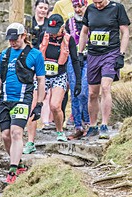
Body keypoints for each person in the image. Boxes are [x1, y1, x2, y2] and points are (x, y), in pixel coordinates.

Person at [0, 23, 46, 183]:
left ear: (23, 36)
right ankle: (19, 163)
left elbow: (41, 80)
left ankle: (13, 170)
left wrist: (39, 104)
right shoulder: (5, 54)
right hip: (5, 99)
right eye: (10, 40)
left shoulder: (35, 54)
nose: (12, 42)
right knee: (5, 135)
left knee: (16, 132)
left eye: (15, 39)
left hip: (23, 100)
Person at [78, 0, 130, 140]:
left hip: (111, 53)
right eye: (95, 2)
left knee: (105, 87)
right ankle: (93, 126)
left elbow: (125, 32)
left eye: (100, 2)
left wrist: (121, 54)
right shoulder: (90, 9)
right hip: (93, 54)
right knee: (92, 93)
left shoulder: (117, 8)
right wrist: (80, 52)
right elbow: (84, 32)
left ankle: (105, 125)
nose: (98, 5)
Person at [38, 14, 82, 142]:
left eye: (55, 31)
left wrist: (78, 81)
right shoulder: (44, 36)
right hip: (43, 75)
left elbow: (75, 61)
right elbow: (35, 55)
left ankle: (59, 131)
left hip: (59, 75)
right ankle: (30, 138)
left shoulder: (69, 40)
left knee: (55, 105)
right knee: (35, 103)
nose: (52, 34)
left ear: (62, 27)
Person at [24, 0, 53, 151]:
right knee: (31, 97)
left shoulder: (50, 24)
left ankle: (46, 121)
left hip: (46, 61)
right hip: (29, 60)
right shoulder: (27, 22)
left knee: (44, 94)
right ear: (36, 8)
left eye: (45, 9)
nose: (42, 10)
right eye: (40, 7)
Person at [67, 0, 91, 139]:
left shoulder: (92, 19)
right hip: (73, 59)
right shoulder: (68, 23)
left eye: (80, 6)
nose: (77, 9)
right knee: (75, 92)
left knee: (84, 92)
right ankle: (78, 126)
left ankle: (87, 122)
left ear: (85, 5)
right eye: (75, 6)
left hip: (89, 58)